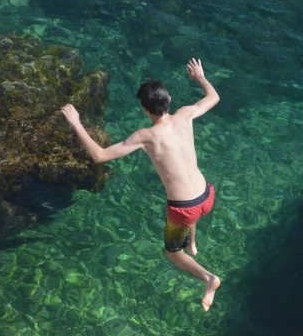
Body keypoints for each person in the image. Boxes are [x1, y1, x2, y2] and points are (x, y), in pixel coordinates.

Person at [60, 58, 221, 311]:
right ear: (168, 102)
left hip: (184, 209)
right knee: (192, 206)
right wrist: (200, 77)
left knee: (171, 253)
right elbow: (213, 97)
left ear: (146, 110)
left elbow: (99, 156)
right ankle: (192, 243)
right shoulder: (185, 114)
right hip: (207, 196)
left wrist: (76, 123)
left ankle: (209, 279)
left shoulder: (145, 137)